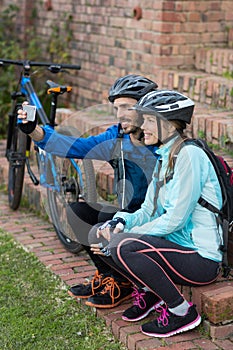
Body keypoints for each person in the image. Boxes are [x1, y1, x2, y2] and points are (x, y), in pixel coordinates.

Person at [17, 74, 160, 308]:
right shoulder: (117, 137)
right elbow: (76, 147)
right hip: (126, 217)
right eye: (116, 108)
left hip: (153, 223)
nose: (119, 114)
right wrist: (34, 131)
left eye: (127, 107)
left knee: (106, 219)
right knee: (77, 212)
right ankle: (113, 279)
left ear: (146, 108)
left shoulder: (165, 143)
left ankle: (122, 279)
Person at [89, 90, 223, 337]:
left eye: (149, 121)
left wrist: (125, 234)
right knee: (100, 234)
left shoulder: (190, 156)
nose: (142, 126)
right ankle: (152, 293)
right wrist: (120, 222)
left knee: (121, 245)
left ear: (170, 124)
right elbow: (147, 210)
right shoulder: (164, 159)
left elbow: (176, 219)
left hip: (201, 259)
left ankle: (182, 312)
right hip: (175, 249)